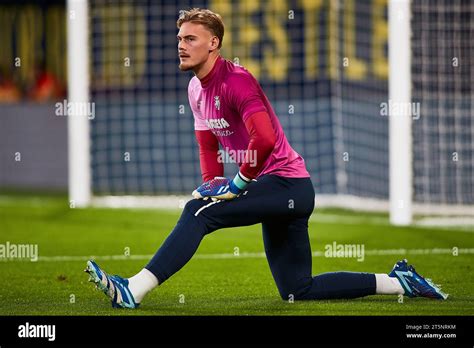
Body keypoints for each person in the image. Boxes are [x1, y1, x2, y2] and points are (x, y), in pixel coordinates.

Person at [85, 8, 447, 309]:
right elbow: (208, 144)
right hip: (276, 191)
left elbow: (266, 138)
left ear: (214, 43)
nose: (181, 45)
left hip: (286, 183)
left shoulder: (237, 81)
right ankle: (397, 282)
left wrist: (237, 183)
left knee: (198, 212)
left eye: (190, 38)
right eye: (180, 38)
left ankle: (134, 289)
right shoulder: (195, 87)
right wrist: (212, 182)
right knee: (297, 290)